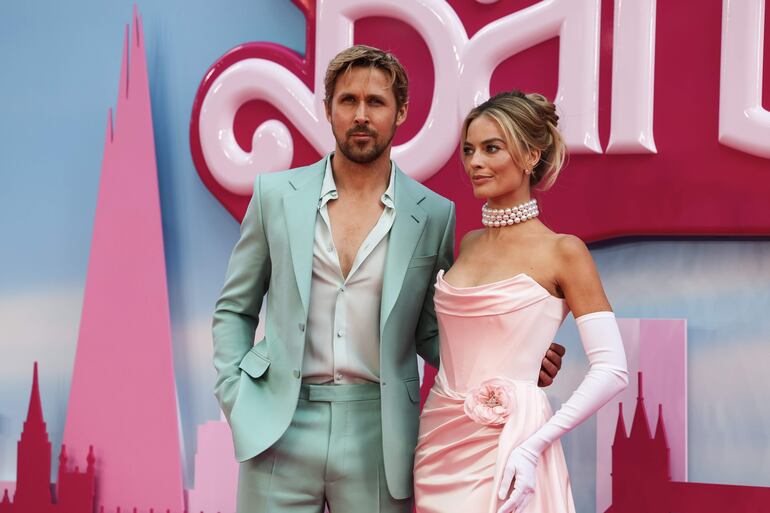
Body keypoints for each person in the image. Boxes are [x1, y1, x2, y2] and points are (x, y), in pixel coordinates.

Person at [212, 46, 564, 513]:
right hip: (279, 423)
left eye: (375, 102)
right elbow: (234, 308)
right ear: (328, 109)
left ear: (401, 112)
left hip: (380, 433)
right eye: (348, 101)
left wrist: (511, 361)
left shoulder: (434, 215)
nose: (361, 115)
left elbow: (433, 331)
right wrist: (236, 397)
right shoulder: (274, 196)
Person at [413, 91, 630, 513]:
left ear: (531, 155)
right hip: (439, 443)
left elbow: (613, 370)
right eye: (469, 150)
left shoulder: (564, 252)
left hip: (511, 445)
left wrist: (533, 447)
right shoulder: (469, 243)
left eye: (492, 148)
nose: (474, 162)